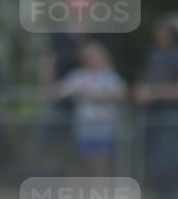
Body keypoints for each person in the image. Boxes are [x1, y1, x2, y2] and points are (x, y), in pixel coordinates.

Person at [134, 13, 178, 199]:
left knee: (172, 163)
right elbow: (142, 83)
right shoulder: (153, 55)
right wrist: (141, 92)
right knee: (156, 164)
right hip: (152, 117)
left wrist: (155, 93)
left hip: (172, 116)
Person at [54, 40, 126, 177]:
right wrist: (77, 91)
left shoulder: (109, 75)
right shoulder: (78, 76)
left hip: (104, 129)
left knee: (101, 163)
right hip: (84, 130)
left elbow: (121, 92)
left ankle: (102, 190)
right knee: (84, 164)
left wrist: (102, 95)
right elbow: (60, 90)